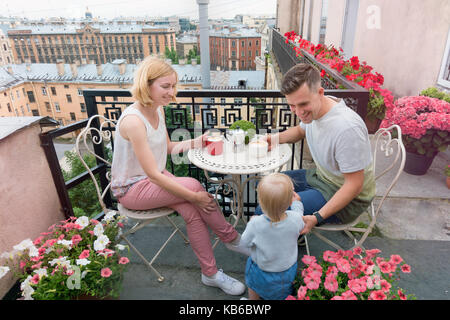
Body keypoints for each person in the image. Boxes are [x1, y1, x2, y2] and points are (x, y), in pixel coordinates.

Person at [110, 56, 245, 296]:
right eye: (165, 86)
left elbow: (168, 148)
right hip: (132, 189)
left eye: (173, 86)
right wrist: (194, 196)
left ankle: (211, 273)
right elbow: (152, 174)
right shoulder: (133, 121)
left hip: (155, 179)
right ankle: (231, 239)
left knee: (192, 211)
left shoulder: (157, 109)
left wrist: (197, 141)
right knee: (193, 186)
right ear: (146, 84)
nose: (172, 92)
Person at [257, 63, 375, 235]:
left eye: (303, 104)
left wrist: (317, 217)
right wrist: (273, 139)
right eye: (292, 105)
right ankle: (281, 240)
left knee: (269, 213)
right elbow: (299, 131)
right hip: (321, 178)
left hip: (349, 198)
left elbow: (354, 185)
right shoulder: (318, 108)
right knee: (267, 190)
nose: (298, 112)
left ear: (320, 93)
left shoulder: (347, 128)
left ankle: (276, 254)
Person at [237, 173, 305, 300]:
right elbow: (299, 215)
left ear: (260, 202)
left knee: (254, 285)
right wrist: (297, 203)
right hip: (286, 270)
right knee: (281, 294)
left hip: (261, 269)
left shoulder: (256, 224)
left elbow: (244, 243)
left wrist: (252, 221)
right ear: (289, 201)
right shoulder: (295, 219)